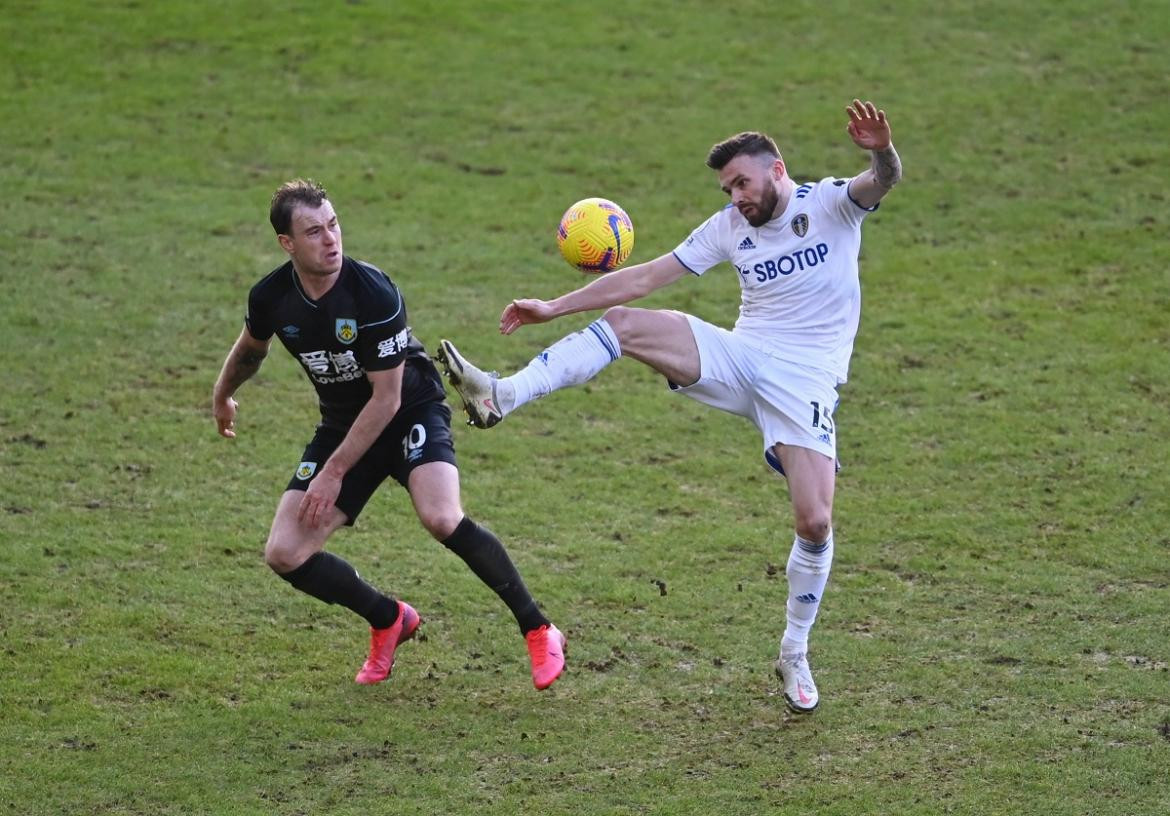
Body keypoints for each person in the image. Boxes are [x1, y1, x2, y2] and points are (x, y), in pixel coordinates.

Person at [436, 100, 901, 713]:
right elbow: (643, 278)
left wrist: (880, 150)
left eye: (742, 183)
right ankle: (504, 392)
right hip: (743, 356)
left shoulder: (832, 204)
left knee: (814, 522)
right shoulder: (727, 228)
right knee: (627, 323)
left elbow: (883, 181)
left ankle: (793, 651)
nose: (735, 196)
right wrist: (554, 305)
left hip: (807, 382)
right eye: (727, 187)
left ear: (777, 170)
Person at [211, 179, 565, 691]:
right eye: (313, 232)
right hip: (342, 425)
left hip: (409, 408)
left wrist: (334, 472)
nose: (330, 239)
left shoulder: (373, 292)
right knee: (284, 552)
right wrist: (222, 394)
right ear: (287, 244)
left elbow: (387, 399)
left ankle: (538, 627)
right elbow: (251, 349)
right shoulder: (271, 296)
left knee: (441, 516)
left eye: (333, 225)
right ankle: (388, 618)